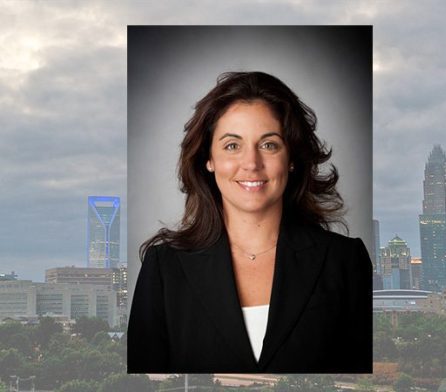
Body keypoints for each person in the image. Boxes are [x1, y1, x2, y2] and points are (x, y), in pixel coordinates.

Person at [127, 71, 372, 373]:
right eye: (232, 145)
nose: (252, 163)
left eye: (269, 145)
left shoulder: (345, 262)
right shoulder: (164, 267)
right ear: (209, 159)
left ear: (291, 157)